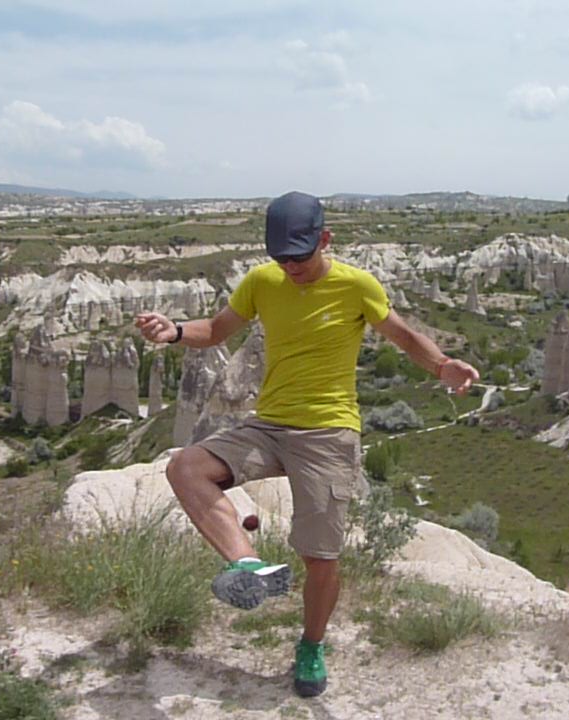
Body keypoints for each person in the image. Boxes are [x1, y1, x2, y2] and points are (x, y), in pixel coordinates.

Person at [134, 191, 478, 698]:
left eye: (299, 254)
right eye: (281, 257)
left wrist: (441, 365)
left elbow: (402, 336)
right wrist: (175, 331)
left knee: (321, 558)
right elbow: (216, 330)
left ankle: (311, 644)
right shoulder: (262, 281)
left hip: (328, 432)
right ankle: (247, 564)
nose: (290, 266)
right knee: (185, 467)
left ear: (325, 239)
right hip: (269, 425)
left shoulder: (356, 285)